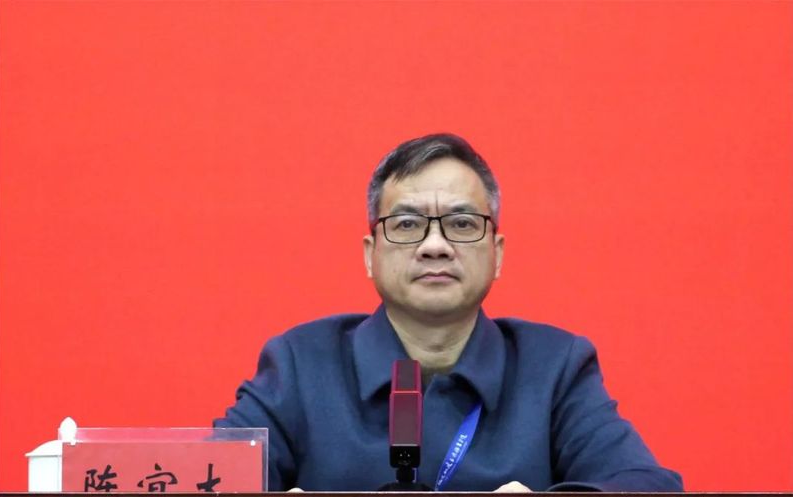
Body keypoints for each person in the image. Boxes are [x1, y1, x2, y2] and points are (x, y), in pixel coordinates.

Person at [214, 133, 683, 492]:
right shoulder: (300, 363)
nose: (435, 245)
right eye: (407, 224)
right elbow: (206, 479)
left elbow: (646, 485)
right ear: (370, 254)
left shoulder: (554, 367)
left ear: (497, 253)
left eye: (461, 223)